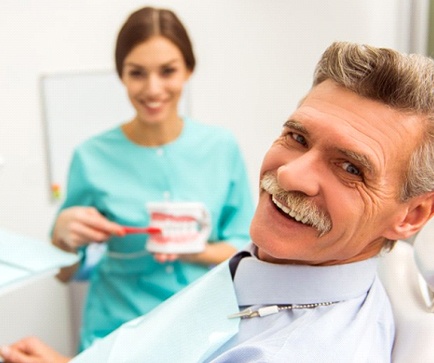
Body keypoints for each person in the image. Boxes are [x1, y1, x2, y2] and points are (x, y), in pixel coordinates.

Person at [3, 40, 434, 362]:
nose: (289, 174)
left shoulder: (296, 347)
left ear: (411, 215)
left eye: (351, 168)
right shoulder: (274, 265)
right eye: (297, 137)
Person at [45, 5, 254, 353]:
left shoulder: (221, 147)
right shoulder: (90, 156)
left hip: (203, 331)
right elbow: (65, 273)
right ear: (121, 75)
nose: (153, 88)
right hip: (116, 336)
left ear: (188, 69)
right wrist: (61, 238)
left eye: (167, 71)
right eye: (137, 73)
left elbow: (247, 249)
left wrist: (194, 249)